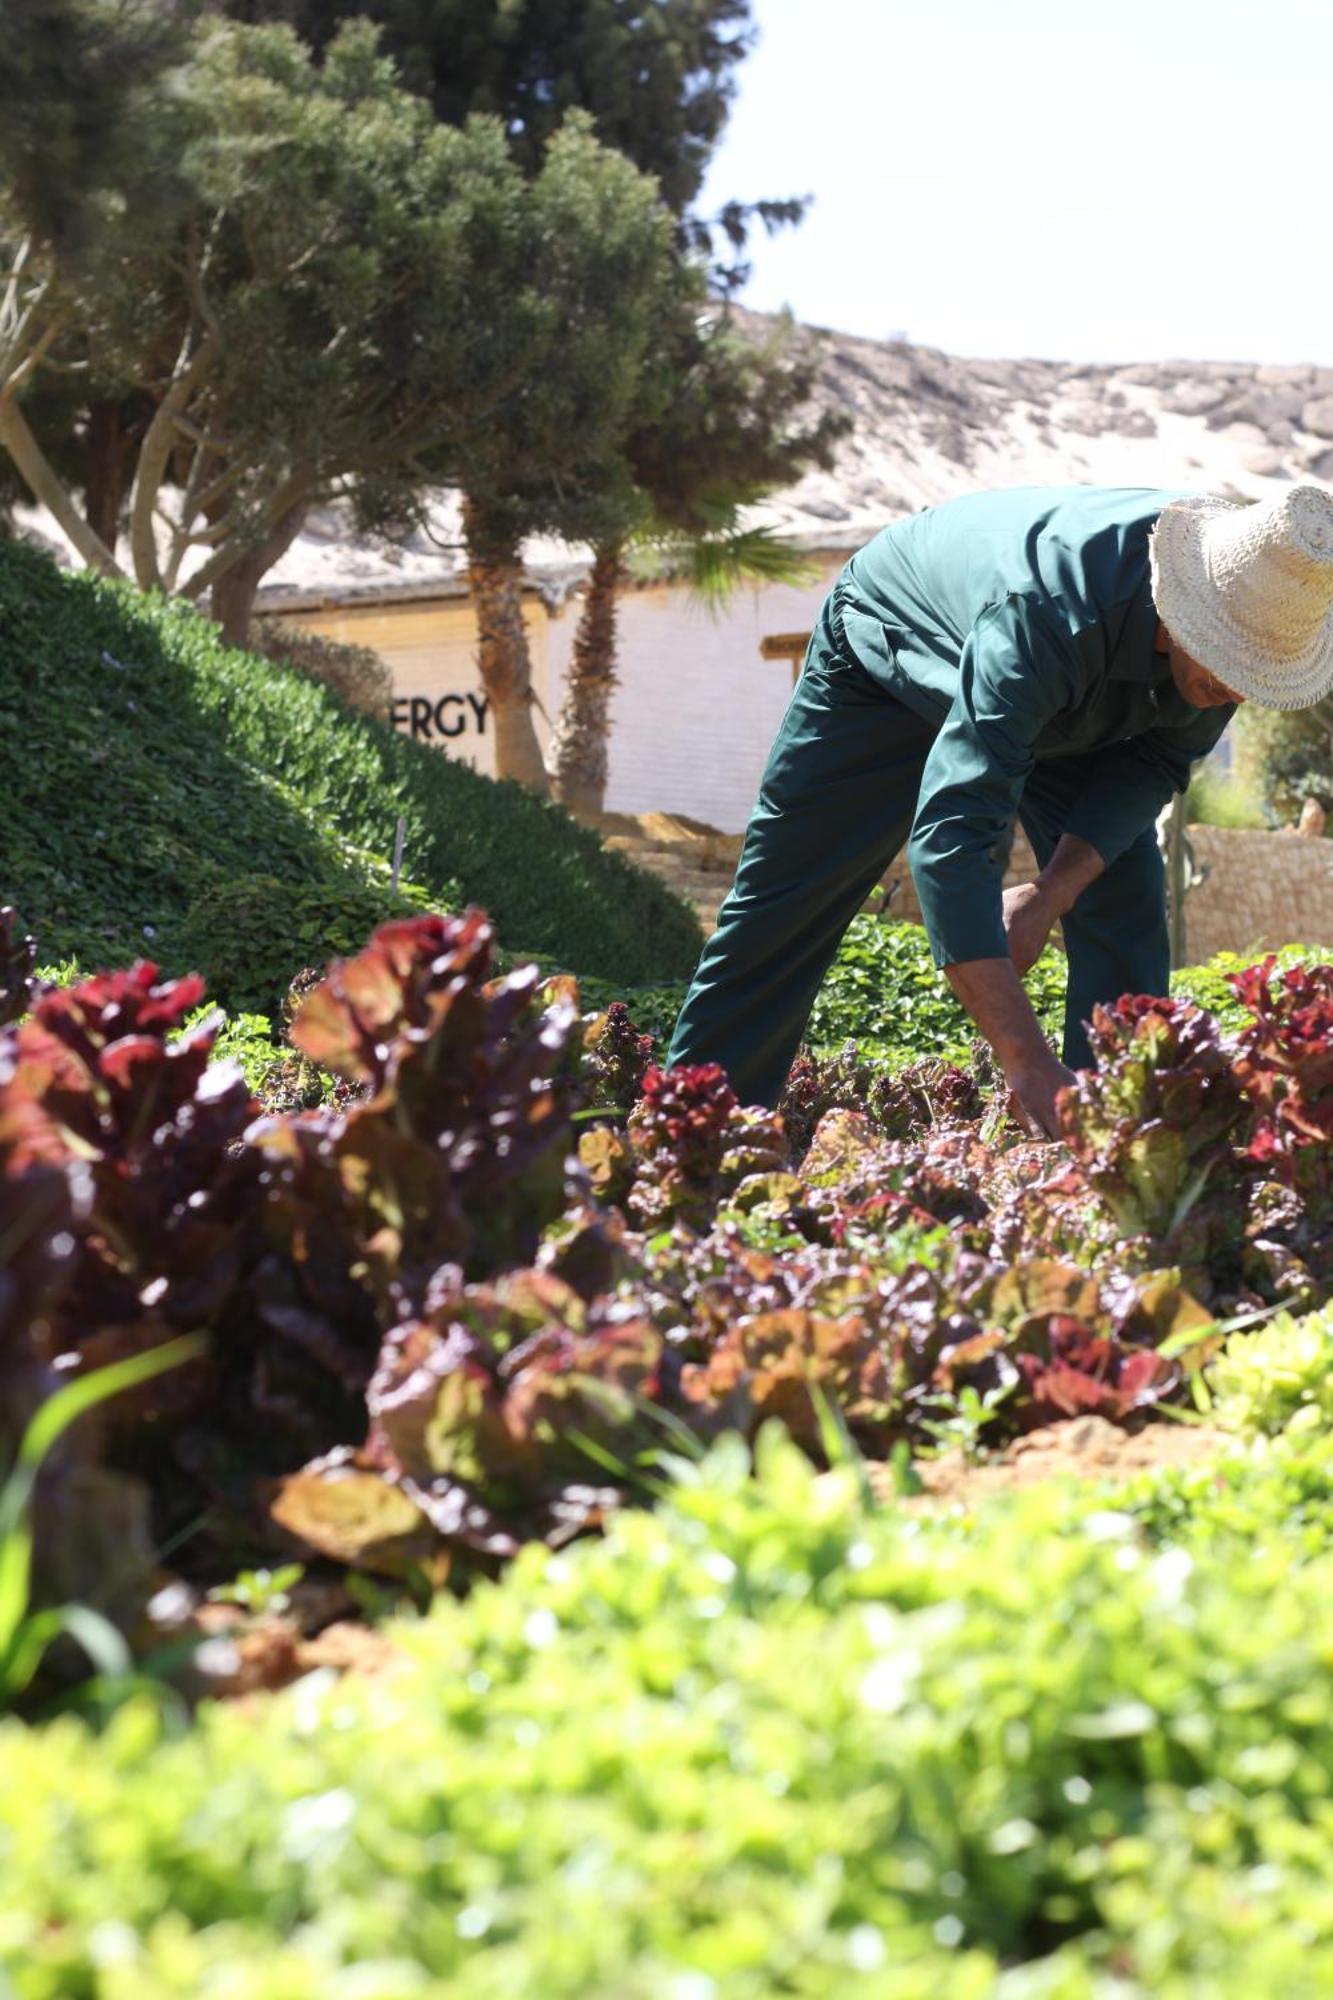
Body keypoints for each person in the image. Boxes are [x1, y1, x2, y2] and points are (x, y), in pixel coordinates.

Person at [667, 482, 1333, 1136]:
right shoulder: (1047, 611)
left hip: (1062, 692)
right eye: (1225, 665)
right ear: (1184, 613)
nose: (1233, 694)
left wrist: (1047, 894)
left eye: (1251, 675)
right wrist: (1024, 1060)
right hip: (896, 651)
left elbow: (1150, 767)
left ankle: (1119, 1143)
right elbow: (953, 835)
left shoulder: (1247, 621)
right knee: (786, 899)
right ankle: (691, 1139)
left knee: (1119, 890)